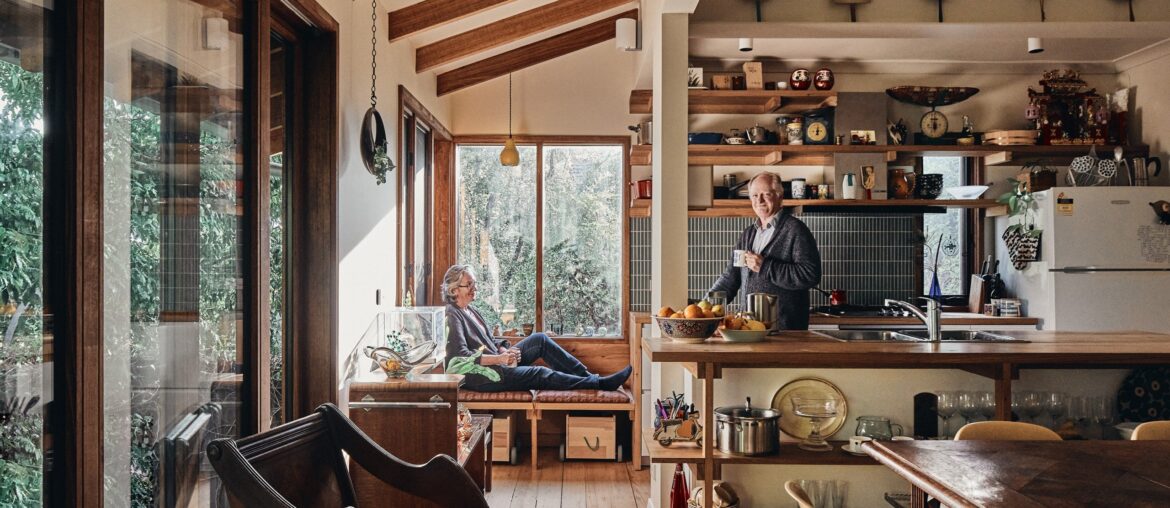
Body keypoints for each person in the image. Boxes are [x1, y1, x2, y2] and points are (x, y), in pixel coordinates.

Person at [442, 264, 632, 392]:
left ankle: (590, 378)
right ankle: (598, 384)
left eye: (475, 283)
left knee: (539, 339)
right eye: (469, 284)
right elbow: (458, 359)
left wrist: (503, 349)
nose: (475, 288)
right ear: (454, 289)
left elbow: (488, 341)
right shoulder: (452, 315)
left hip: (498, 362)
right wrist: (499, 358)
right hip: (485, 376)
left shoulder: (471, 310)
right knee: (538, 373)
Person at [708, 172, 822, 330]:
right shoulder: (748, 234)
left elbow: (810, 275)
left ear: (779, 196)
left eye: (765, 194)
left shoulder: (795, 230)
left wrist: (766, 267)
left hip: (784, 332)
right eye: (754, 195)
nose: (759, 201)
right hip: (748, 329)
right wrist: (704, 308)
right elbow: (730, 278)